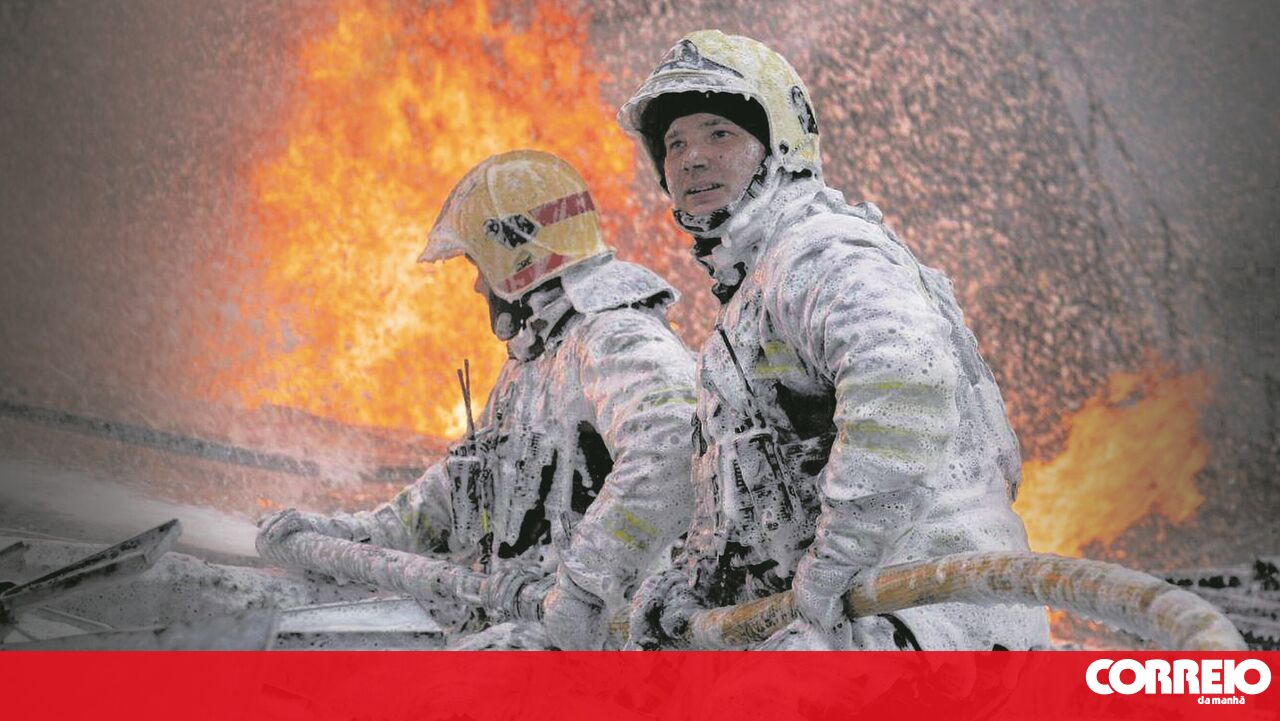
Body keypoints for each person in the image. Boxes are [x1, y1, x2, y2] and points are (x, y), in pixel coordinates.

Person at [618, 31, 1050, 650]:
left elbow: (904, 384)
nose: (692, 159)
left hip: (924, 624)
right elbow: (756, 486)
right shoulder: (753, 290)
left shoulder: (818, 251)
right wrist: (694, 585)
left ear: (779, 144)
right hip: (864, 625)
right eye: (675, 143)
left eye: (720, 134)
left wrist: (836, 564)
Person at [256, 150, 696, 650]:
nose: (476, 284)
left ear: (514, 256)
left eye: (478, 264)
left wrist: (583, 589)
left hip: (610, 651)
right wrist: (346, 537)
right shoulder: (534, 361)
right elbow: (455, 493)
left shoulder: (615, 337)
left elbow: (673, 446)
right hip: (520, 625)